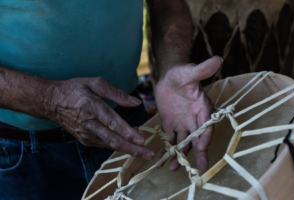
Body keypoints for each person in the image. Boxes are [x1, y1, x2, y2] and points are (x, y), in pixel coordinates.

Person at [0, 0, 222, 199]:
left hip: (130, 123)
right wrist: (50, 100)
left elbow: (165, 4)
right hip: (25, 151)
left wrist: (172, 64)